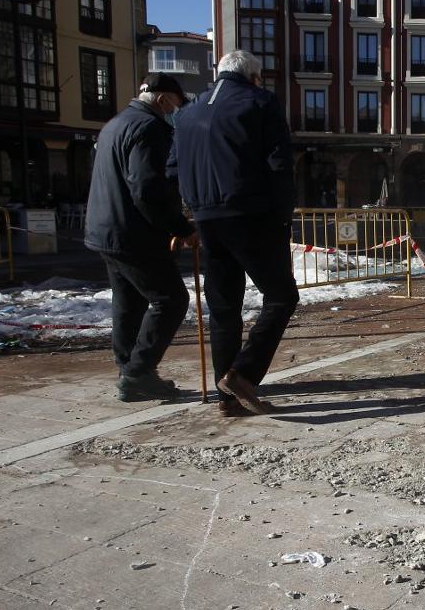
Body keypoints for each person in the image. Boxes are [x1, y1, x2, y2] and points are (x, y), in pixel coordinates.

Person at [168, 50, 298, 417]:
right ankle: (243, 374)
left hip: (206, 218)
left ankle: (228, 398)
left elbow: (172, 169)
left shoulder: (186, 113)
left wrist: (191, 211)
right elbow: (279, 165)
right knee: (281, 296)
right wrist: (281, 217)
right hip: (250, 214)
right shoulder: (259, 103)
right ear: (253, 77)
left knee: (224, 308)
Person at [85, 73, 195, 402]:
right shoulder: (149, 128)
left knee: (129, 303)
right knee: (171, 300)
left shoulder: (115, 124)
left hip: (107, 230)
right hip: (134, 232)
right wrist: (181, 227)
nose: (177, 111)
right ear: (163, 100)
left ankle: (128, 369)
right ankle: (138, 372)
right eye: (176, 104)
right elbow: (147, 188)